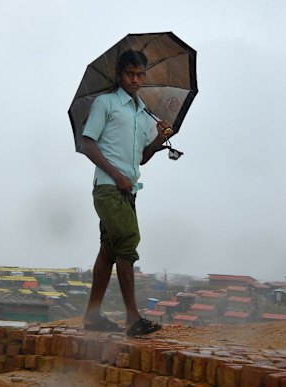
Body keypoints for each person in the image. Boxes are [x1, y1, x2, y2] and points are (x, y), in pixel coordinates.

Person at [81, 49, 173, 337]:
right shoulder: (106, 103)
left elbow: (142, 157)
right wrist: (117, 174)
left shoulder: (142, 111)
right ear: (119, 75)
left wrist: (160, 137)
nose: (135, 79)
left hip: (128, 190)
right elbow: (88, 143)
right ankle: (133, 318)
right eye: (130, 74)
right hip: (109, 187)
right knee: (128, 241)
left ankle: (92, 317)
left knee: (109, 251)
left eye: (140, 75)